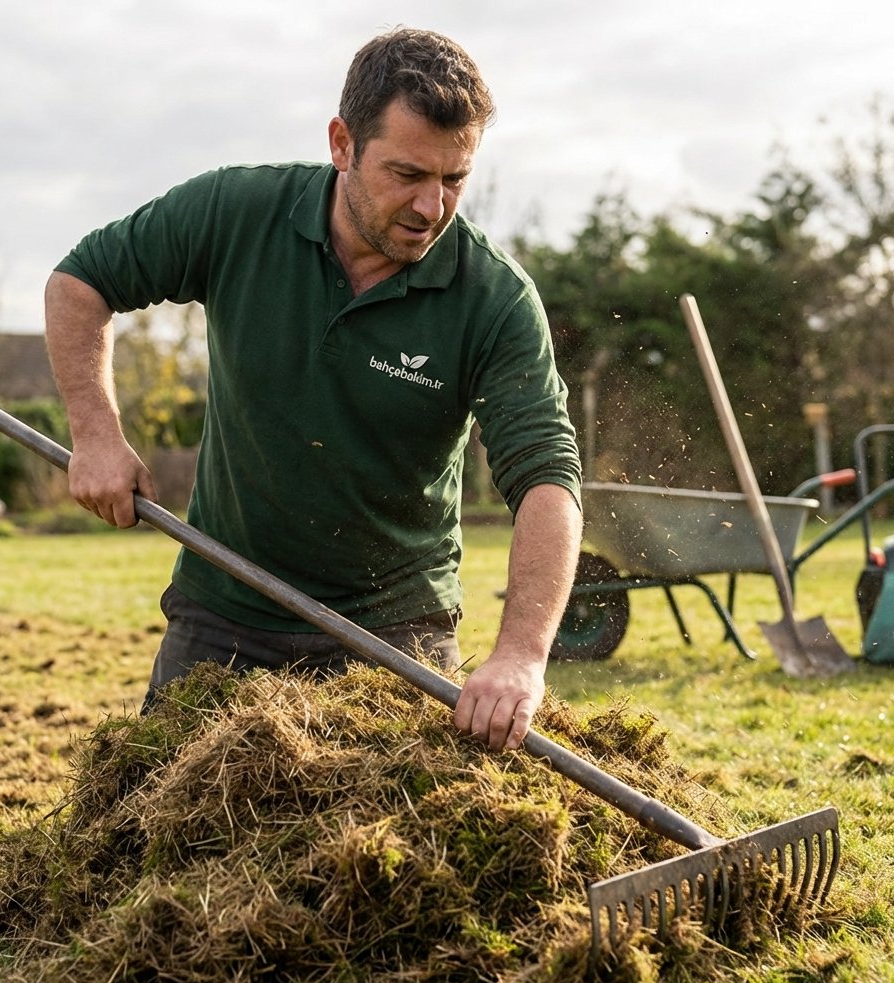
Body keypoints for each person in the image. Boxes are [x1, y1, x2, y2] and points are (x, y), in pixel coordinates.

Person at [44, 27, 583, 752]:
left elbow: (547, 475)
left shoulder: (491, 297)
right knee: (151, 841)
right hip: (224, 613)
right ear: (342, 144)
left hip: (394, 635)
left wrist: (520, 656)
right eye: (407, 174)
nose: (432, 207)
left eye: (454, 180)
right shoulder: (237, 214)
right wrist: (97, 433)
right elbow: (80, 281)